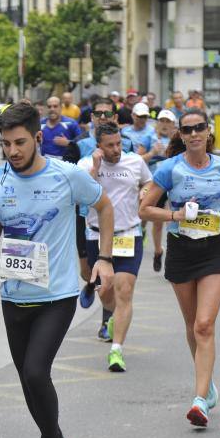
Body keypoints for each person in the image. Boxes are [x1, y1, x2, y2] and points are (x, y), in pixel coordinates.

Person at [0, 102, 114, 438]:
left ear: (37, 138)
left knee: (36, 371)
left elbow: (104, 206)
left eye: (19, 142)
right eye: (5, 144)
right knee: (28, 380)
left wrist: (103, 258)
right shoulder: (0, 179)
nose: (12, 151)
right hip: (14, 293)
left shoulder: (67, 176)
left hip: (58, 293)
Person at [139, 107, 220, 427]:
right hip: (181, 249)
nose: (194, 134)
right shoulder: (170, 169)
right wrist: (175, 216)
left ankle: (199, 401)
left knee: (204, 324)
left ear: (208, 132)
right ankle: (206, 383)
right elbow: (145, 209)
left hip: (214, 248)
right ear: (180, 135)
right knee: (192, 323)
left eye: (199, 128)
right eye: (187, 129)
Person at [78, 123, 152, 372]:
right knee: (106, 292)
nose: (116, 149)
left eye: (119, 143)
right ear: (98, 146)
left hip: (129, 234)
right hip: (96, 236)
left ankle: (116, 350)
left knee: (125, 291)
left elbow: (148, 183)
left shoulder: (135, 162)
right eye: (110, 145)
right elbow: (81, 196)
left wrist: (144, 192)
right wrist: (96, 170)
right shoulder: (85, 165)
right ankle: (111, 319)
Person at [65, 98, 131, 319]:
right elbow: (71, 186)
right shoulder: (77, 144)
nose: (102, 118)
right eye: (98, 114)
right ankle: (93, 284)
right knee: (87, 270)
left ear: (115, 118)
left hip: (118, 219)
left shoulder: (127, 144)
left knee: (120, 278)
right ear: (91, 117)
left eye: (107, 114)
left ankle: (108, 318)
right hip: (85, 216)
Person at [148, 110, 178, 273]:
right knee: (157, 221)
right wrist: (152, 152)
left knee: (172, 219)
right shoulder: (150, 138)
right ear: (157, 123)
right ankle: (158, 250)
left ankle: (173, 254)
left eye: (168, 121)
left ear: (174, 124)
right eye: (162, 121)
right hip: (156, 184)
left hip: (174, 184)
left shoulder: (178, 140)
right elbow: (139, 158)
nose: (165, 124)